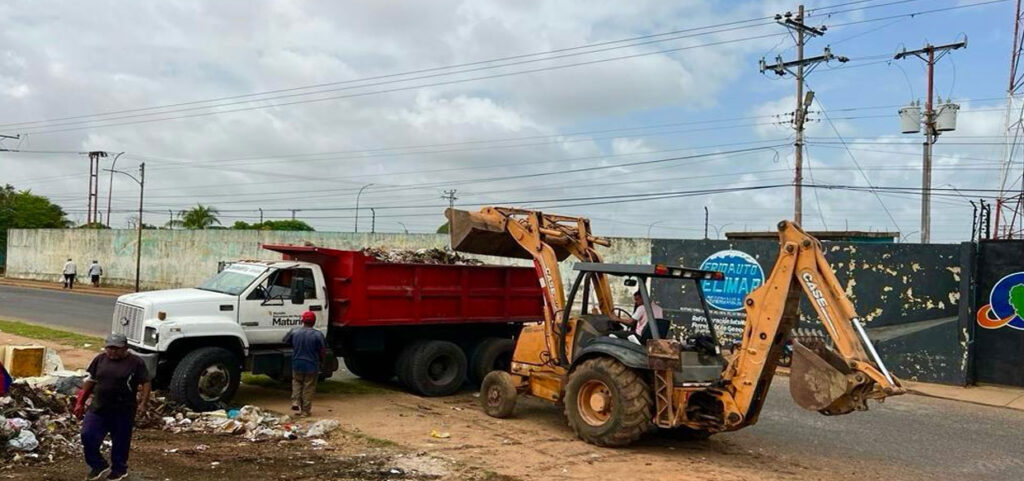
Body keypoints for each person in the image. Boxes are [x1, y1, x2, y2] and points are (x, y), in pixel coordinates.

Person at [74, 333, 150, 481]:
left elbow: (145, 382)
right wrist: (80, 402)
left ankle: (119, 469)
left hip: (123, 409)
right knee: (87, 435)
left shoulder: (136, 362)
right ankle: (98, 464)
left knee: (120, 440)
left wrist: (143, 403)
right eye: (109, 348)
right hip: (99, 407)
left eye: (116, 349)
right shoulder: (100, 359)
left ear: (125, 348)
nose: (112, 352)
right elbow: (91, 380)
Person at [283, 311, 326, 417]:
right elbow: (322, 350)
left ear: (302, 321)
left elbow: (285, 341)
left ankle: (295, 401)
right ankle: (305, 411)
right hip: (311, 364)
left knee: (297, 382)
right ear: (314, 322)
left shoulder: (294, 332)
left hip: (297, 362)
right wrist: (322, 362)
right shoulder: (318, 334)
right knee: (308, 386)